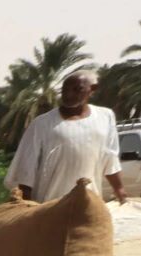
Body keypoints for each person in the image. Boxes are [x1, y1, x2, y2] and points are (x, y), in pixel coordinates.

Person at [7, 71, 125, 205]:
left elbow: (110, 157)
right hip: (50, 206)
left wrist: (119, 189)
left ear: (92, 90)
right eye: (65, 90)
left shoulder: (105, 117)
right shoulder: (41, 124)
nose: (69, 95)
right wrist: (28, 207)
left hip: (88, 204)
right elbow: (25, 170)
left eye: (77, 90)